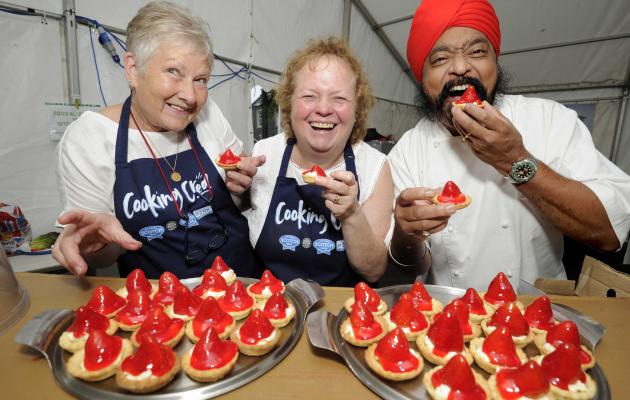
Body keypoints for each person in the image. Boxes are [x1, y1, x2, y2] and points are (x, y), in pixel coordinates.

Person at [387, 0, 630, 290]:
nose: (461, 67)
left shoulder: (548, 120)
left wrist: (514, 161)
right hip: (450, 317)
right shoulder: (409, 150)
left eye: (477, 52)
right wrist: (405, 235)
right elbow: (402, 269)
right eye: (440, 59)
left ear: (495, 64)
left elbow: (611, 232)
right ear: (423, 80)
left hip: (540, 317)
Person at [53, 1, 264, 279]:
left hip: (243, 287)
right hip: (160, 309)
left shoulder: (208, 114)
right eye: (173, 72)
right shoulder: (91, 138)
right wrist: (97, 242)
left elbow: (242, 200)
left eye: (200, 79)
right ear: (132, 68)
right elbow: (103, 259)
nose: (190, 95)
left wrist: (245, 186)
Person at [248, 37, 393, 286]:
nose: (324, 109)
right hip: (273, 310)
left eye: (339, 98)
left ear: (357, 109)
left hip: (346, 317)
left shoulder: (375, 167)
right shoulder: (265, 153)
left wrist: (351, 215)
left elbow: (374, 271)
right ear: (289, 102)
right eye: (309, 96)